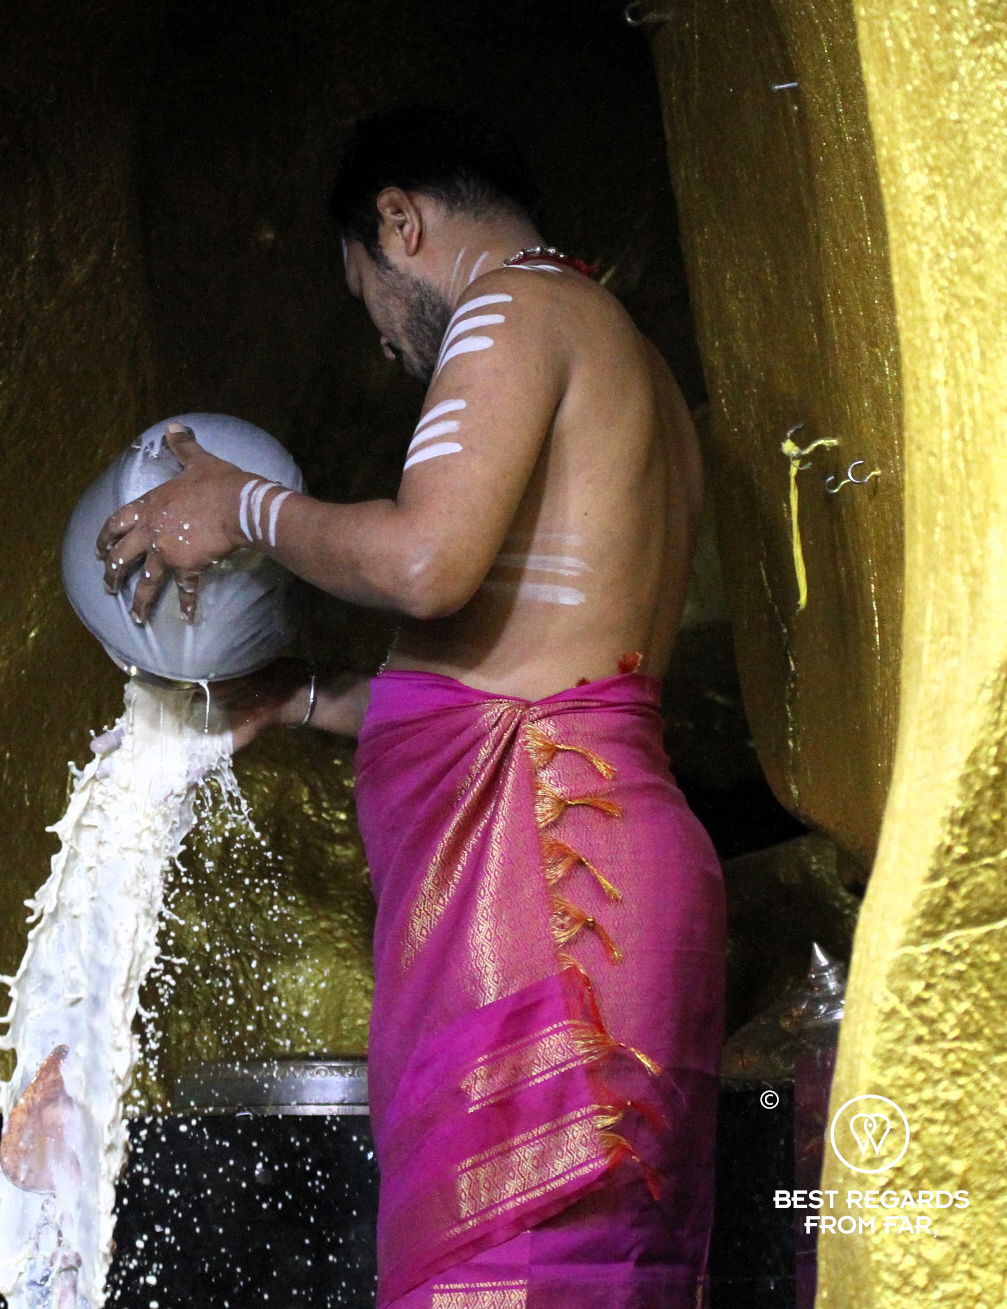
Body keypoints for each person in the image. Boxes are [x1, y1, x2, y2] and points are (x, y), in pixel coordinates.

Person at [96, 106, 725, 1308]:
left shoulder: (512, 304)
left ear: (402, 222)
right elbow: (525, 674)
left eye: (371, 301)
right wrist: (308, 698)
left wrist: (241, 510)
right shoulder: (632, 366)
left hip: (549, 904)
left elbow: (431, 562)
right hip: (597, 874)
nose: (389, 347)